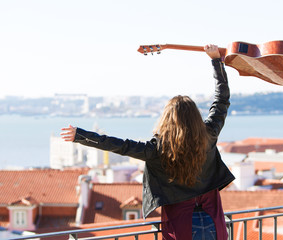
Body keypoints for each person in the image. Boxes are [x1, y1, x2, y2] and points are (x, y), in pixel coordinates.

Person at [61, 44, 235, 240]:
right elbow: (222, 100)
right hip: (214, 222)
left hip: (183, 227)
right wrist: (215, 61)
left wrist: (81, 135)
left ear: (167, 120)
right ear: (195, 117)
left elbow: (120, 145)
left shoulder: (157, 149)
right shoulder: (209, 134)